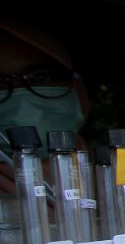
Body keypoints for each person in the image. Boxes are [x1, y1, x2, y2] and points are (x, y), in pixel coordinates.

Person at [0, 15, 89, 193]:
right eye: (0, 83)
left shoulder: (123, 172)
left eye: (41, 77)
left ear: (79, 91)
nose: (23, 104)